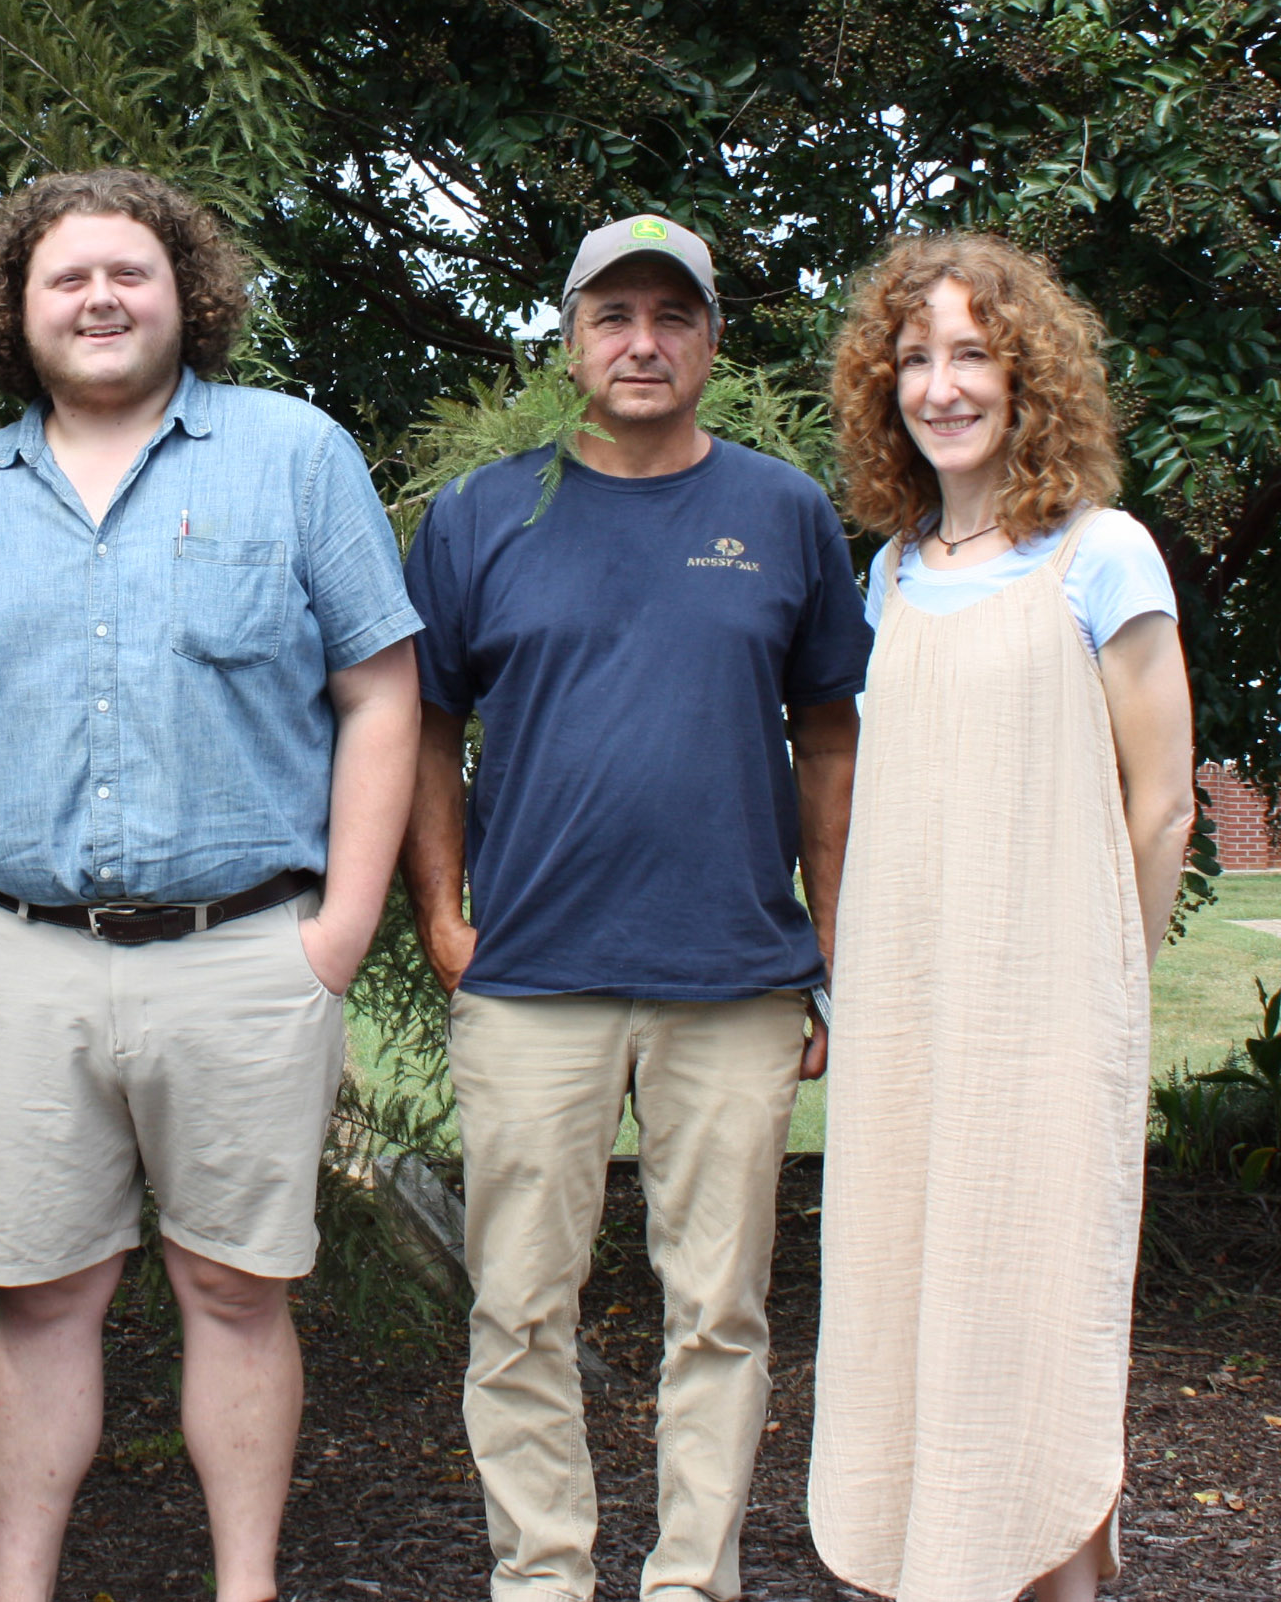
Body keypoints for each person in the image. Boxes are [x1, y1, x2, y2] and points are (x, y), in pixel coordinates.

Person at [0, 167, 422, 1602]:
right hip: (23, 962)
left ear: (188, 295)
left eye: (131, 272)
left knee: (237, 1292)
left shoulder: (294, 456)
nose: (101, 298)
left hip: (243, 953)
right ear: (17, 307)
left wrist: (340, 931)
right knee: (39, 1300)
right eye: (67, 277)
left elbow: (381, 692)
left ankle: (247, 1584)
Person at [398, 214, 868, 1602]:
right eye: (614, 315)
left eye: (672, 315)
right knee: (515, 1309)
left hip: (731, 974)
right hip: (530, 974)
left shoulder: (783, 510)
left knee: (717, 1309)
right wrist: (439, 910)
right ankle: (540, 1575)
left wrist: (829, 940)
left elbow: (829, 730)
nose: (642, 341)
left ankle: (689, 1579)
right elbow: (420, 726)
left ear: (713, 340)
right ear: (570, 336)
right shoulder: (485, 513)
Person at [806, 233, 1194, 1602]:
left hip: (1047, 1023)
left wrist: (1103, 986)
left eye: (972, 353)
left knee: (1038, 1322)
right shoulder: (890, 573)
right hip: (910, 1027)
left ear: (1029, 375)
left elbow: (1160, 809)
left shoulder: (1102, 556)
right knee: (919, 1311)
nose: (942, 385)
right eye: (915, 358)